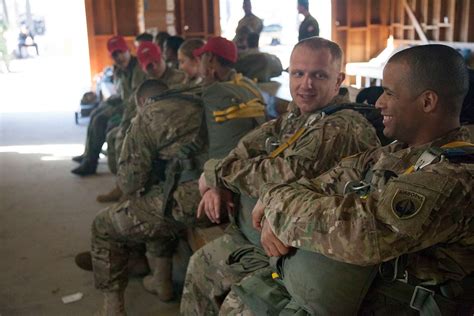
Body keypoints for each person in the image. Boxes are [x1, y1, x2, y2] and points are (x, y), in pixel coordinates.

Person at [236, 44, 473, 315]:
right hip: (357, 292)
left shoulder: (455, 176)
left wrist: (276, 209)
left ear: (427, 102)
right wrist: (274, 198)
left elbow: (361, 233)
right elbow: (324, 180)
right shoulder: (398, 152)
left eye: (389, 93)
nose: (378, 102)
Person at [180, 37, 382, 316]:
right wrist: (217, 180)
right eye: (298, 73)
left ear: (338, 81)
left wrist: (217, 173)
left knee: (235, 307)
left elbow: (283, 174)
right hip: (258, 233)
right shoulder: (299, 115)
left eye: (319, 75)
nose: (306, 84)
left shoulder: (342, 126)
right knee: (199, 265)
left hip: (297, 251)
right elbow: (248, 144)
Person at [91, 36, 266, 315]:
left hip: (197, 202)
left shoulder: (149, 116)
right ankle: (159, 278)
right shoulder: (235, 90)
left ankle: (113, 307)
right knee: (154, 201)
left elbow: (129, 182)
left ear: (142, 103)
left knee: (105, 224)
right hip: (242, 196)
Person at [97, 41, 185, 202]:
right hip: (143, 125)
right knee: (115, 136)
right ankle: (122, 185)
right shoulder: (144, 84)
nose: (154, 68)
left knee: (136, 144)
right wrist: (124, 128)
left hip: (168, 130)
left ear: (162, 58)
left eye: (155, 62)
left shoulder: (180, 80)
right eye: (148, 66)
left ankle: (134, 190)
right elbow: (130, 107)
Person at [71, 35, 147, 176]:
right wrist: (109, 101)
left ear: (128, 50)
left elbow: (134, 97)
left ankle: (90, 163)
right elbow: (122, 93)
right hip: (124, 103)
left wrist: (112, 108)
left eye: (121, 52)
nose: (119, 57)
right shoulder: (118, 70)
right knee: (95, 112)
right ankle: (88, 154)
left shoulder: (137, 68)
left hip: (134, 108)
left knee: (100, 119)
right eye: (115, 54)